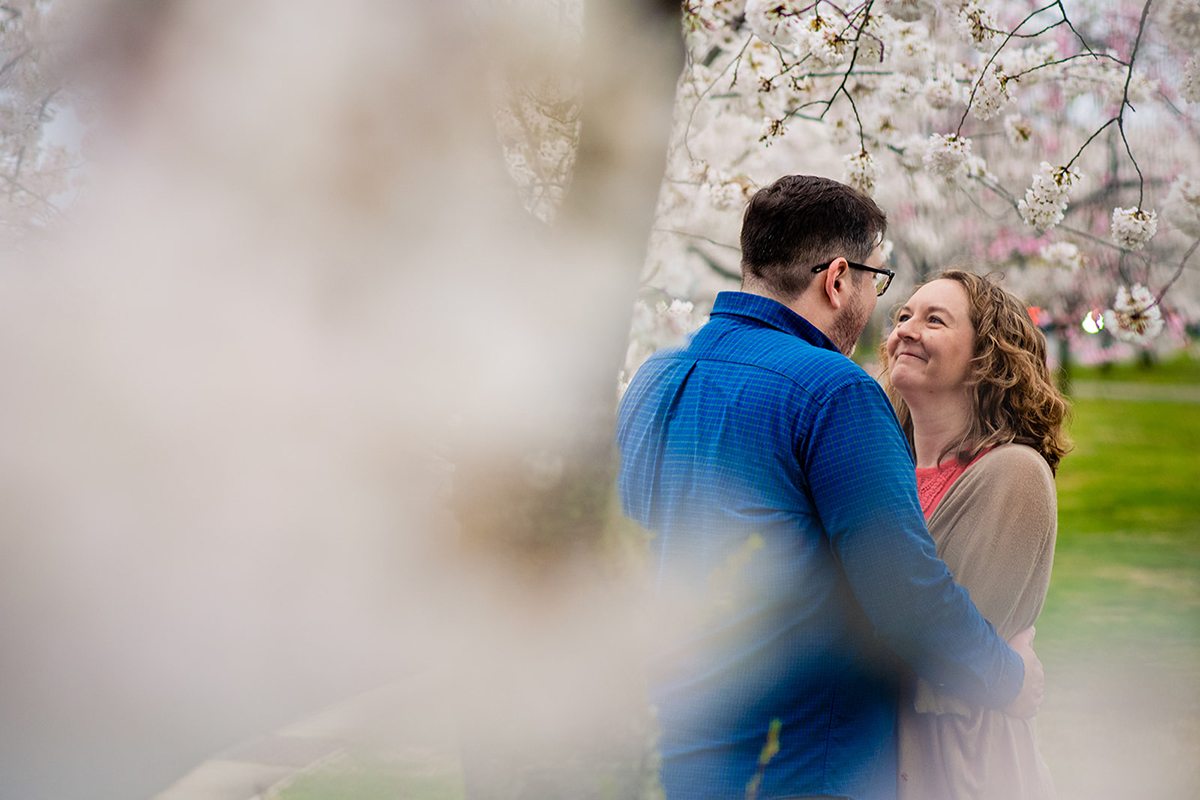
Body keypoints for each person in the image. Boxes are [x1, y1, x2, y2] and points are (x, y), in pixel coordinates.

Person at [615, 175, 1043, 800]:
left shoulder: (652, 379)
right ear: (838, 278)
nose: (878, 306)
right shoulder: (834, 391)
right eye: (878, 282)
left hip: (682, 756)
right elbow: (904, 590)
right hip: (809, 760)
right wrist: (1009, 678)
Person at [880, 270, 1069, 800]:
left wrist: (1002, 675)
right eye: (903, 317)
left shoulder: (1015, 474)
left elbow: (943, 661)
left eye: (934, 320)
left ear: (988, 356)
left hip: (963, 770)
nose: (907, 330)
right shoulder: (881, 469)